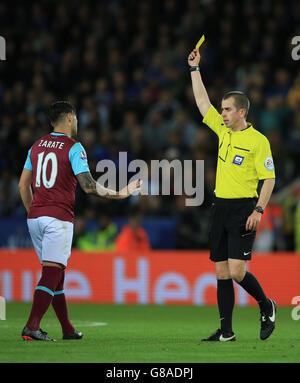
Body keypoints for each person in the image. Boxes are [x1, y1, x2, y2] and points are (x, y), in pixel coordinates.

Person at [18, 101, 141, 341]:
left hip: (35, 218)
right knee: (52, 273)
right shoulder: (73, 147)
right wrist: (122, 193)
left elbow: (23, 184)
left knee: (57, 275)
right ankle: (32, 326)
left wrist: (32, 210)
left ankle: (67, 329)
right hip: (58, 218)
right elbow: (88, 186)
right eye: (75, 118)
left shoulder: (37, 145)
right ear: (69, 118)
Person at [188, 48, 277, 341]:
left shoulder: (258, 141)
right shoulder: (223, 132)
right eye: (222, 109)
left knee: (238, 271)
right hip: (220, 207)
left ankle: (266, 305)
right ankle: (226, 332)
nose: (221, 113)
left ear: (242, 112)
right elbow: (202, 103)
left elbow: (269, 178)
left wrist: (258, 210)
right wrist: (195, 69)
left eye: (226, 109)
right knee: (222, 273)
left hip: (244, 209)